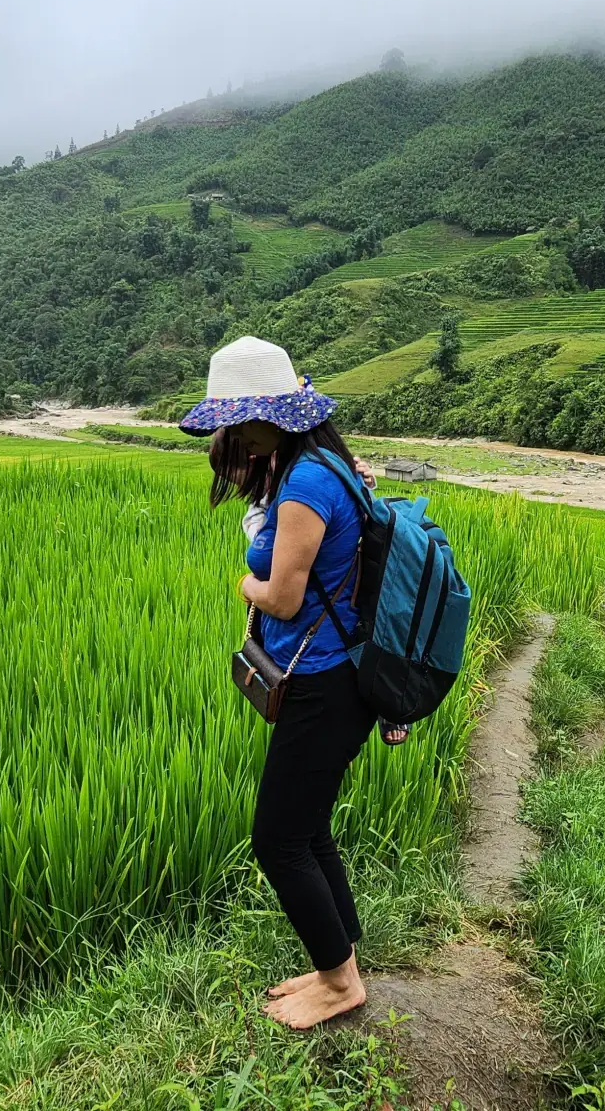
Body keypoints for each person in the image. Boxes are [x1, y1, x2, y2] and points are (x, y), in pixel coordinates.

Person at [181, 336, 382, 1029]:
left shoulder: (308, 483)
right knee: (309, 829)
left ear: (274, 414)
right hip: (338, 678)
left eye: (238, 418)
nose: (232, 433)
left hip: (326, 683)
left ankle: (339, 984)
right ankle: (341, 963)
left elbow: (285, 597)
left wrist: (243, 582)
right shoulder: (314, 463)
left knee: (278, 840)